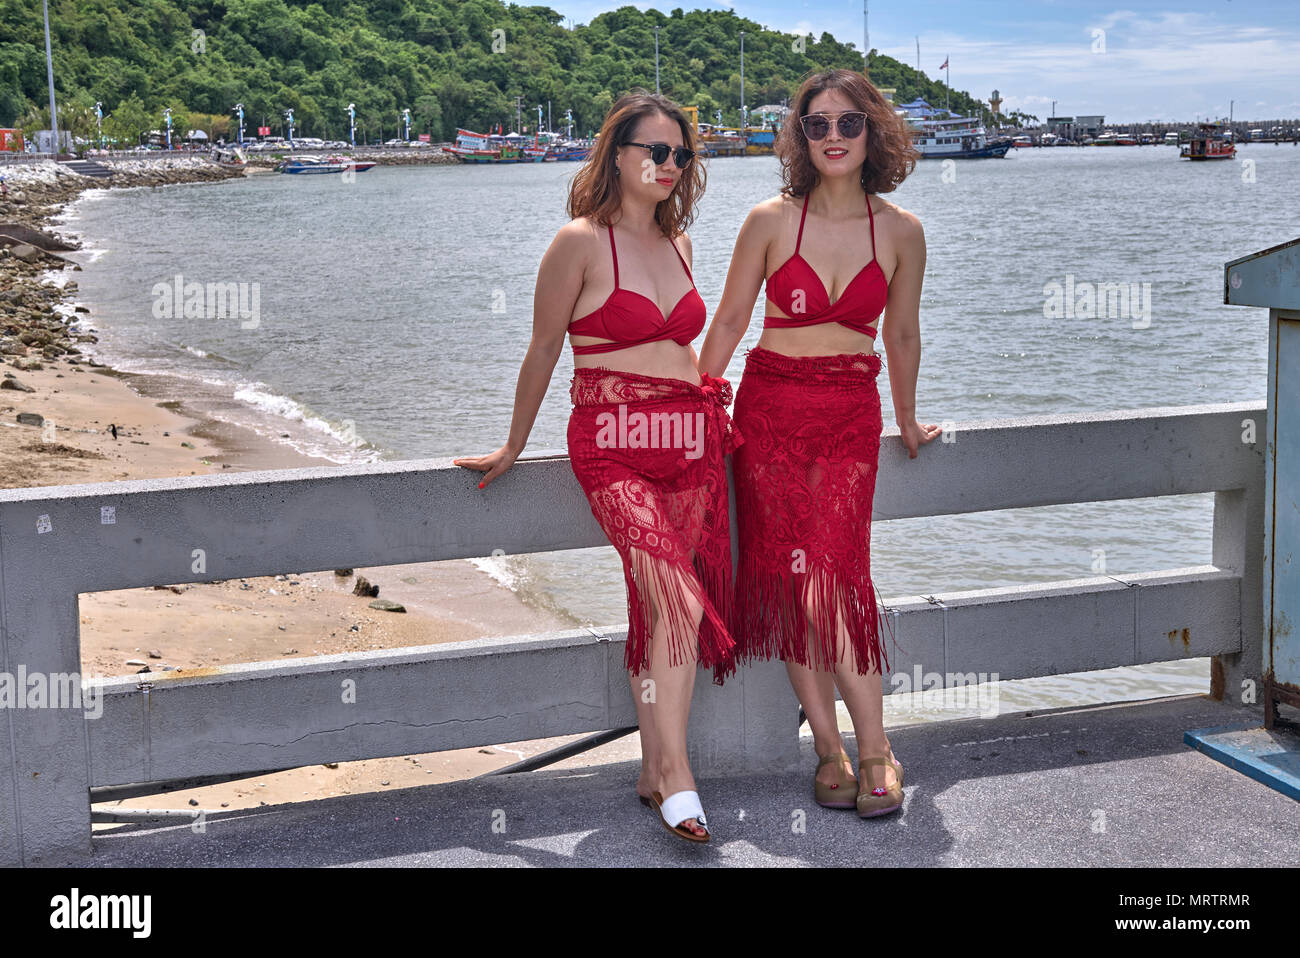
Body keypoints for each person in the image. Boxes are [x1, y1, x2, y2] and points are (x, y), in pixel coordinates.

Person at [455, 91, 741, 843]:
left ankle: (653, 771)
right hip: (611, 448)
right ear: (616, 153)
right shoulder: (577, 242)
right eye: (654, 149)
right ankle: (677, 777)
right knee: (679, 603)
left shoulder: (680, 245)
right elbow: (545, 349)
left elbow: (686, 351)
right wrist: (514, 444)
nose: (668, 164)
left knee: (657, 611)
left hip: (686, 447)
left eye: (680, 154)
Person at [698, 69, 941, 818]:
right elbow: (732, 319)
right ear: (800, 137)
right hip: (768, 416)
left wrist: (905, 416)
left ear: (874, 132)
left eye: (848, 123)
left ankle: (877, 748)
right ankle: (829, 751)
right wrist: (694, 401)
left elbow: (900, 332)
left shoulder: (900, 230)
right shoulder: (771, 220)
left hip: (849, 421)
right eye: (817, 124)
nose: (833, 137)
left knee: (832, 582)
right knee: (792, 586)